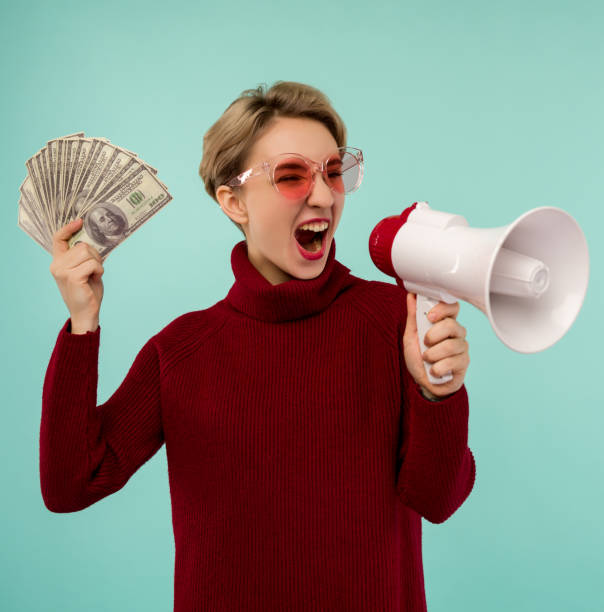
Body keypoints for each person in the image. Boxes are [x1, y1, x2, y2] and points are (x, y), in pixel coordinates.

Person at [41, 81, 474, 612]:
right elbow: (69, 485)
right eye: (292, 176)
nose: (323, 195)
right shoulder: (181, 352)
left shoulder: (395, 319)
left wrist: (438, 395)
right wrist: (83, 325)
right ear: (233, 201)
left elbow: (439, 499)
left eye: (333, 172)